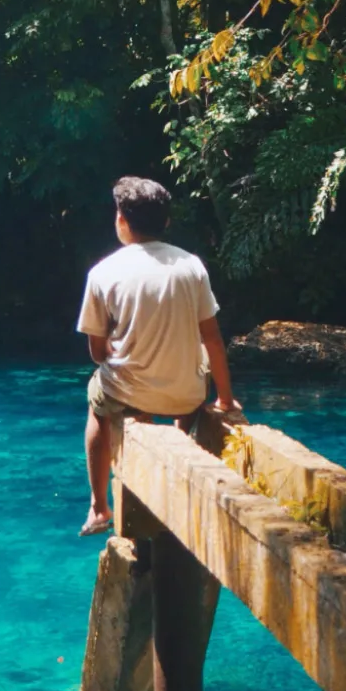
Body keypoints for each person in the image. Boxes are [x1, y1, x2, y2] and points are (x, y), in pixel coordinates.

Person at [76, 177, 239, 536]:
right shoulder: (191, 266)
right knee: (188, 358)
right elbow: (211, 338)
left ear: (120, 219)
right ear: (166, 222)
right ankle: (180, 456)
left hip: (131, 394)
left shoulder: (102, 273)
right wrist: (225, 398)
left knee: (96, 398)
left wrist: (111, 352)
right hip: (187, 397)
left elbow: (97, 352)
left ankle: (99, 506)